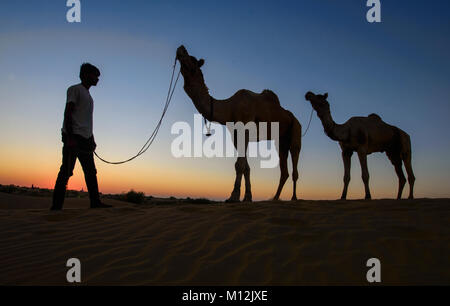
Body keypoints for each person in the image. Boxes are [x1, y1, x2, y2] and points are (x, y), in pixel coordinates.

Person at [51, 63, 112, 210]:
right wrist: (70, 137)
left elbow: (85, 120)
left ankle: (95, 202)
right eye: (95, 75)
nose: (97, 79)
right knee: (66, 171)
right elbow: (68, 112)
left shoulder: (89, 97)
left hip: (85, 140)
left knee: (91, 172)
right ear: (86, 75)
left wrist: (91, 139)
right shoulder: (75, 90)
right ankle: (56, 207)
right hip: (74, 137)